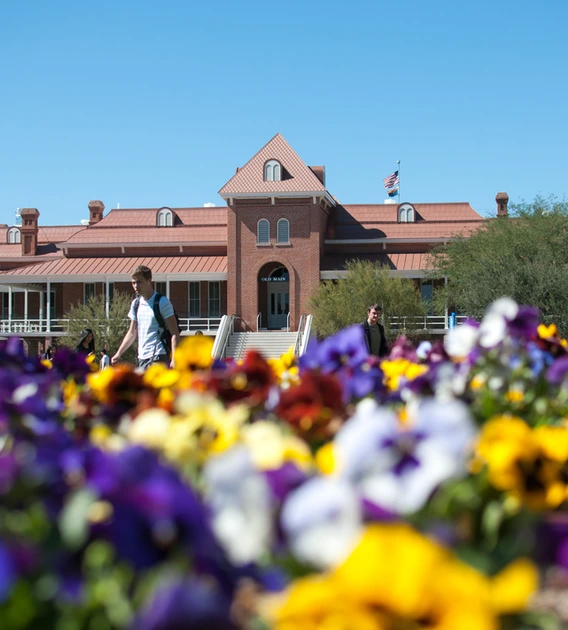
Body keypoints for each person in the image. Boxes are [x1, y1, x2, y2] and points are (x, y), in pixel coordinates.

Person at [111, 265, 180, 370]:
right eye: (133, 283)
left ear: (149, 280)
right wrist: (118, 353)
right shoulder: (136, 304)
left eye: (139, 282)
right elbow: (132, 333)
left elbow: (174, 333)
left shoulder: (162, 302)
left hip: (158, 355)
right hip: (142, 357)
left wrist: (175, 358)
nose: (136, 286)